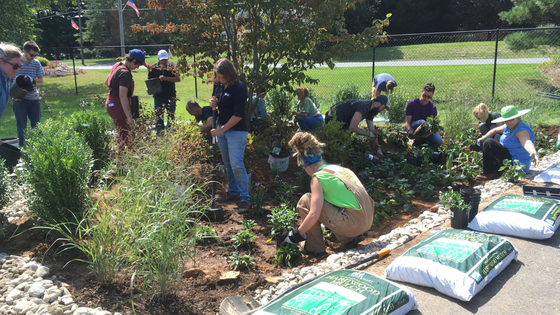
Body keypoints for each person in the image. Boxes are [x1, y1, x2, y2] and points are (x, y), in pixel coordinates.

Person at [279, 132, 375, 255]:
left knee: (306, 200)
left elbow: (314, 214)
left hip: (354, 224)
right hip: (366, 220)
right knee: (326, 201)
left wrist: (295, 235)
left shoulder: (317, 178)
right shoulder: (340, 170)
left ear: (305, 165)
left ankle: (314, 248)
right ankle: (349, 239)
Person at [209, 58, 251, 214]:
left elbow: (238, 115)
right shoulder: (219, 85)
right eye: (218, 77)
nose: (220, 80)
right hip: (222, 130)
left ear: (229, 73)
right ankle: (233, 191)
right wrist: (213, 103)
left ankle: (245, 199)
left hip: (236, 131)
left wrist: (222, 129)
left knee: (237, 165)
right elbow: (216, 101)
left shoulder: (239, 88)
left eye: (222, 77)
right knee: (228, 164)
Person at [475, 105, 538, 181]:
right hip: (510, 157)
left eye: (511, 119)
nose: (509, 122)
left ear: (517, 117)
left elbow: (526, 142)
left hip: (516, 165)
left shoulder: (521, 130)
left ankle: (490, 172)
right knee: (497, 135)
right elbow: (495, 130)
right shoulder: (509, 126)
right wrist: (483, 137)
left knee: (489, 143)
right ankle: (496, 169)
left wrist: (532, 152)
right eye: (506, 120)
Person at [105, 49, 147, 150]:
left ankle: (126, 160)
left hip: (111, 102)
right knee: (126, 136)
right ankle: (122, 163)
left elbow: (107, 82)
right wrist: (129, 118)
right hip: (118, 105)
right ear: (133, 61)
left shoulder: (117, 65)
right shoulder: (125, 73)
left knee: (125, 134)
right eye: (138, 65)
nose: (138, 67)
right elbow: (122, 96)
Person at [324, 96, 390, 155]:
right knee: (354, 146)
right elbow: (352, 128)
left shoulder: (371, 110)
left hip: (342, 122)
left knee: (354, 144)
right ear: (378, 104)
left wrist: (377, 147)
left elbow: (371, 130)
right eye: (383, 108)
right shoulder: (363, 108)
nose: (382, 110)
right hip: (332, 120)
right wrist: (369, 134)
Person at [12, 41, 44, 147]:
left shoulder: (36, 63)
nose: (33, 57)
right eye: (31, 54)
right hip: (19, 100)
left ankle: (37, 149)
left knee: (36, 126)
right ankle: (23, 150)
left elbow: (41, 80)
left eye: (35, 55)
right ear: (24, 51)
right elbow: (9, 79)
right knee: (22, 127)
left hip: (34, 99)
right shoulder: (16, 62)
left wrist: (32, 80)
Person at [148, 50, 180, 134]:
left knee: (171, 116)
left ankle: (171, 134)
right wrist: (149, 89)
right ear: (158, 59)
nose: (163, 61)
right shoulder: (153, 68)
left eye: (165, 59)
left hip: (170, 95)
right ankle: (160, 135)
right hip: (158, 96)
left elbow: (178, 79)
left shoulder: (172, 67)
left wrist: (165, 78)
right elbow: (150, 81)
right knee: (158, 117)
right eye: (162, 60)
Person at [403, 82, 442, 148]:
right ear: (421, 92)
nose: (426, 98)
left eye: (429, 97)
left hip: (426, 131)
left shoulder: (432, 107)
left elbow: (433, 127)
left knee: (438, 142)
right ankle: (420, 141)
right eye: (424, 95)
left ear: (432, 95)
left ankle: (422, 144)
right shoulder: (412, 104)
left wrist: (428, 134)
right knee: (423, 123)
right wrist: (410, 130)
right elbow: (407, 122)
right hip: (413, 127)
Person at [0, 43, 22, 146]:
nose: (18, 69)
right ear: (1, 62)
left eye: (19, 66)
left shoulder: (5, 79)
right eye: (15, 66)